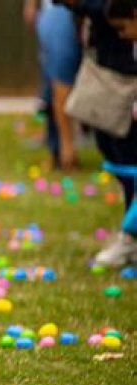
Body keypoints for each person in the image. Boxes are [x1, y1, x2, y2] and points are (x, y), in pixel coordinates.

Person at [55, 0, 137, 266]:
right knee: (116, 156)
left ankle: (130, 236)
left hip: (125, 77)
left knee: (128, 158)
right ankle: (130, 235)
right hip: (106, 69)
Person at [23, 0, 82, 171]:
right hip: (58, 11)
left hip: (79, 12)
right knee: (55, 84)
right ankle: (60, 149)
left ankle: (64, 147)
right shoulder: (57, 19)